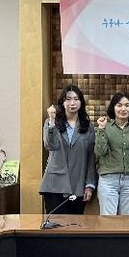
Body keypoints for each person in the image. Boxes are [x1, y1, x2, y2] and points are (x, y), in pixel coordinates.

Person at [40, 84, 96, 214]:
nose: (72, 103)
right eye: (68, 99)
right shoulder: (51, 122)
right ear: (62, 102)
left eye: (76, 99)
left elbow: (91, 157)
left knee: (74, 224)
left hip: (78, 184)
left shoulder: (88, 127)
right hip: (54, 184)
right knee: (55, 223)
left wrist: (89, 184)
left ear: (81, 102)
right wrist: (52, 122)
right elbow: (50, 145)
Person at [94, 91, 129, 215]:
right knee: (108, 220)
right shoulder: (105, 127)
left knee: (127, 221)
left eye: (127, 105)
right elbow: (99, 151)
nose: (123, 109)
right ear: (113, 107)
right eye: (119, 105)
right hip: (108, 180)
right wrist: (101, 129)